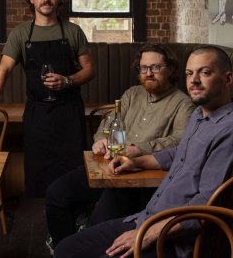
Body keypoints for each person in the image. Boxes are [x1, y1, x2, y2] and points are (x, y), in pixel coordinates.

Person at [54, 45, 233, 258]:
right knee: (65, 249)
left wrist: (146, 235)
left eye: (205, 72)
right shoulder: (201, 115)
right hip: (149, 218)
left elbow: (206, 206)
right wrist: (137, 163)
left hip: (176, 240)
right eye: (190, 74)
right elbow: (178, 153)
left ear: (228, 79)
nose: (194, 80)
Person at [45, 44, 196, 249]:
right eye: (143, 68)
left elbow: (180, 140)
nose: (148, 73)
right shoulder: (132, 94)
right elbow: (108, 124)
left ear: (171, 69)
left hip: (139, 181)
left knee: (97, 226)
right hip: (108, 169)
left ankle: (82, 242)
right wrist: (101, 140)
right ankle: (63, 247)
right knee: (56, 193)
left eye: (155, 67)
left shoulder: (183, 103)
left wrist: (138, 148)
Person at [0, 0, 95, 198]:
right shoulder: (21, 34)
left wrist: (67, 80)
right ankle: (44, 224)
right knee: (39, 174)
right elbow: (3, 71)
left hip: (69, 112)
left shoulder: (72, 31)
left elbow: (89, 70)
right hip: (37, 114)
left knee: (74, 171)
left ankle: (77, 221)